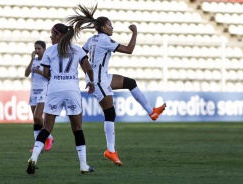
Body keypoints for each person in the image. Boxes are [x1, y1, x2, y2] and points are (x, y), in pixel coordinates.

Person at [66, 4, 167, 166]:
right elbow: (129, 49)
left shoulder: (92, 39)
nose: (112, 28)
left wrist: (87, 76)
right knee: (110, 114)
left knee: (130, 82)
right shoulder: (105, 40)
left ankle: (152, 112)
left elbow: (82, 56)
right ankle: (110, 151)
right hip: (99, 81)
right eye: (110, 25)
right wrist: (134, 32)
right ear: (104, 27)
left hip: (102, 77)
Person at [26, 23, 95, 174]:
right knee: (77, 128)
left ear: (58, 35)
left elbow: (46, 73)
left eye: (52, 34)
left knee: (47, 128)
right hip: (72, 90)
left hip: (54, 89)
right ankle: (83, 165)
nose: (50, 37)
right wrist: (91, 83)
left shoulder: (50, 51)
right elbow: (88, 68)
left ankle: (33, 157)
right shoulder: (77, 49)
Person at [25, 41, 54, 152]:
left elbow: (51, 76)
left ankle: (49, 137)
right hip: (34, 91)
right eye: (35, 48)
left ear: (44, 49)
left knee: (38, 116)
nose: (36, 51)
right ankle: (37, 144)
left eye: (39, 49)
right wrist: (31, 60)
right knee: (35, 120)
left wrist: (41, 72)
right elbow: (26, 74)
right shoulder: (34, 61)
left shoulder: (48, 61)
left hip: (43, 90)